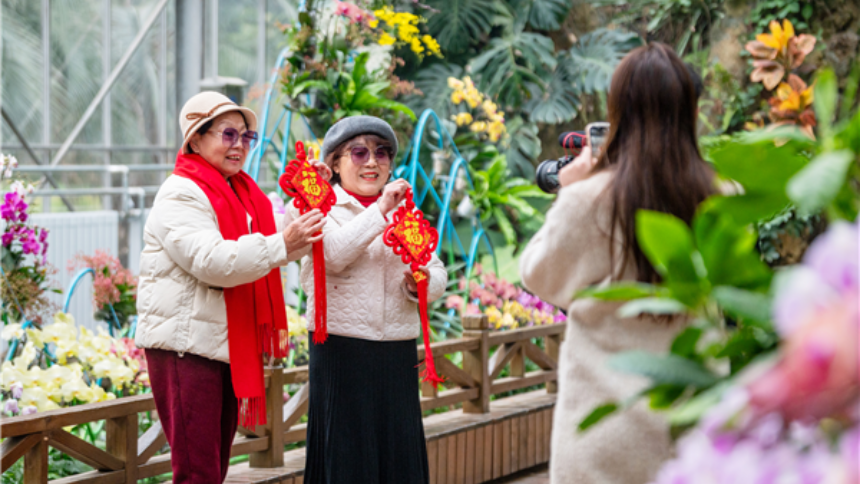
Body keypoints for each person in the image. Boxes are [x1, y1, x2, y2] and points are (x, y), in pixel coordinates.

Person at [519, 43, 716, 484]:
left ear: (618, 108)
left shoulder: (589, 199)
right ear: (689, 109)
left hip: (603, 431)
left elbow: (537, 275)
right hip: (693, 426)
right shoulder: (723, 196)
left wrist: (570, 190)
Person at [135, 91, 329, 483]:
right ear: (195, 139)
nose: (239, 145)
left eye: (246, 136)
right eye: (228, 134)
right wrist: (282, 243)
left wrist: (306, 201)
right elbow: (214, 261)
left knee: (212, 470)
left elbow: (271, 235)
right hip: (184, 348)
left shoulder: (239, 192)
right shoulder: (181, 192)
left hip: (216, 345)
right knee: (197, 472)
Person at [285, 115, 447, 484]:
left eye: (382, 153)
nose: (372, 161)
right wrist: (380, 211)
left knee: (399, 459)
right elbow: (335, 255)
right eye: (358, 153)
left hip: (396, 351)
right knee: (346, 459)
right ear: (336, 165)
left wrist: (416, 283)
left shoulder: (403, 210)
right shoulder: (313, 203)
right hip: (343, 350)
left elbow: (437, 272)